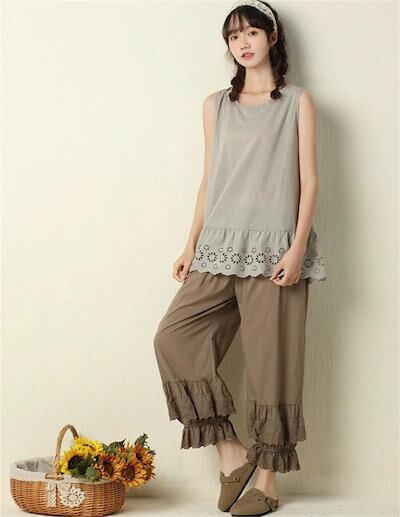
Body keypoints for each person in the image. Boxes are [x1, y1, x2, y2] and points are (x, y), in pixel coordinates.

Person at [154, 1, 327, 514]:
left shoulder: (297, 102)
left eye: (252, 32)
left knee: (273, 362)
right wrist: (191, 244)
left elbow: (310, 181)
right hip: (220, 246)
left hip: (276, 251)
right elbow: (209, 179)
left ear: (272, 37)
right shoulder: (215, 105)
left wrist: (298, 247)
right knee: (172, 337)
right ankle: (232, 454)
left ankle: (268, 480)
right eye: (234, 37)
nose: (243, 43)